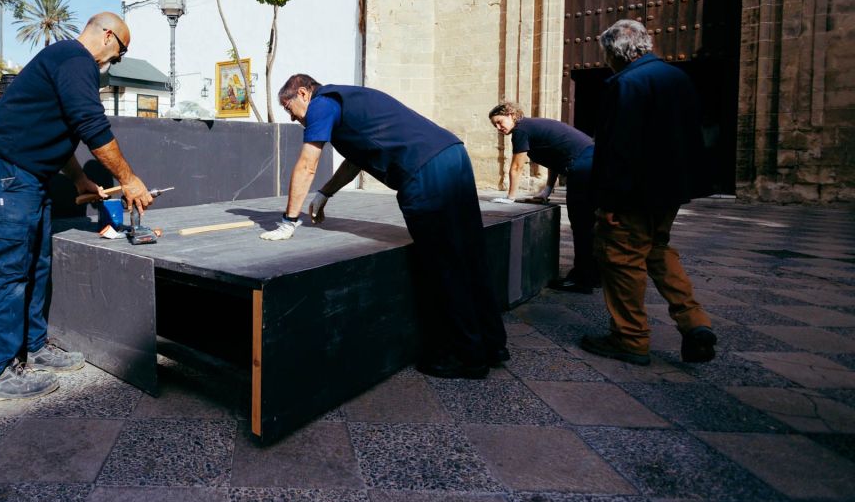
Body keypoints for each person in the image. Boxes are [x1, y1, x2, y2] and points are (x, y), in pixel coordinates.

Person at [261, 74, 507, 379]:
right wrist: (325, 193)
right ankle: (493, 345)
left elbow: (307, 164)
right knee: (470, 254)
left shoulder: (321, 104)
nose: (292, 118)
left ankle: (467, 357)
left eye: (289, 109)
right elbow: (355, 162)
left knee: (443, 263)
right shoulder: (346, 102)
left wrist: (289, 221)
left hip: (424, 169)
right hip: (452, 154)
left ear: (303, 93)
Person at [0, 12, 155, 402]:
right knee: (7, 271)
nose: (116, 60)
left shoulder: (67, 62)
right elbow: (92, 127)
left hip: (28, 175)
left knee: (36, 263)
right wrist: (128, 179)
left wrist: (79, 179)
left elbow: (60, 130)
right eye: (120, 52)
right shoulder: (75, 60)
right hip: (4, 170)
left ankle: (33, 348)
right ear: (108, 36)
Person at [580, 19, 716, 366]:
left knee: (621, 258)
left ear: (615, 53)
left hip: (633, 195)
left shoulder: (627, 84)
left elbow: (620, 147)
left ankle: (630, 338)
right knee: (657, 250)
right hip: (668, 192)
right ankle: (694, 322)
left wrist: (609, 201)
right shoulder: (677, 77)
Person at [488, 102, 598, 293]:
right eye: (494, 125)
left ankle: (582, 279)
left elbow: (516, 167)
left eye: (499, 121)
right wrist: (546, 191)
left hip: (584, 165)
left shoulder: (521, 130)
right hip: (594, 160)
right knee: (590, 224)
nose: (498, 127)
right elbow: (554, 160)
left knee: (581, 224)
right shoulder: (531, 127)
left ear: (511, 114)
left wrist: (510, 197)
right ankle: (595, 275)